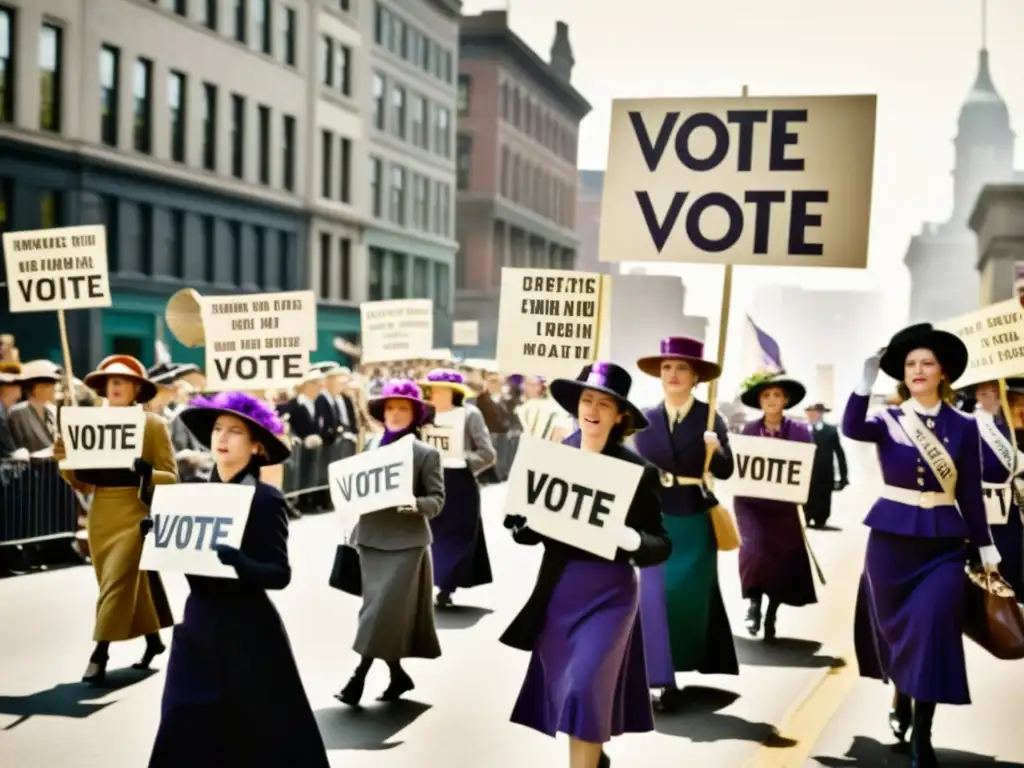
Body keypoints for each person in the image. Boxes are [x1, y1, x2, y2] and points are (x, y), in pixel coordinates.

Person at [844, 323, 1001, 768]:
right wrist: (864, 380)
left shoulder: (965, 426)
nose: (918, 369)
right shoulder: (888, 418)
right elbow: (852, 427)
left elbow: (969, 490)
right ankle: (900, 696)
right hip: (891, 545)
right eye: (910, 363)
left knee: (933, 630)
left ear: (943, 373)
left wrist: (986, 545)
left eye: (927, 362)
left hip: (943, 547)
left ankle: (923, 738)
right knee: (899, 635)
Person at [501, 362, 672, 768]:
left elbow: (660, 543)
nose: (592, 409)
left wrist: (630, 539)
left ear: (620, 417)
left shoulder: (636, 471)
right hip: (560, 594)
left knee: (583, 691)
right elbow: (525, 531)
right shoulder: (551, 457)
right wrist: (525, 522)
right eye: (586, 400)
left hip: (610, 597)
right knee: (572, 697)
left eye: (604, 403)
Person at [147, 391, 329, 768]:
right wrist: (155, 534)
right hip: (198, 625)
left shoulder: (266, 500)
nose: (222, 438)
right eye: (217, 429)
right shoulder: (190, 494)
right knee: (182, 720)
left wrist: (242, 562)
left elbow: (279, 574)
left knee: (264, 734)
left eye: (234, 431)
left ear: (257, 447)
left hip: (249, 634)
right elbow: (182, 558)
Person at [53, 355, 177, 684]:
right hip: (101, 513)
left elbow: (172, 477)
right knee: (114, 581)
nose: (115, 386)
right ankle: (153, 640)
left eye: (122, 381)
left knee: (118, 582)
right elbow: (83, 483)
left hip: (135, 510)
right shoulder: (87, 424)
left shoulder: (153, 425)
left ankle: (99, 654)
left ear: (137, 389)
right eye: (111, 381)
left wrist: (147, 473)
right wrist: (65, 461)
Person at [631, 337, 739, 711]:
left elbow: (725, 470)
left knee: (685, 597)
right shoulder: (642, 418)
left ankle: (682, 661)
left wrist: (716, 449)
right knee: (653, 598)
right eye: (666, 368)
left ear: (695, 377)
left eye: (681, 368)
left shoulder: (712, 418)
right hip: (653, 517)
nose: (672, 375)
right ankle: (661, 678)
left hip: (694, 517)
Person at [336, 379, 444, 706]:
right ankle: (398, 676)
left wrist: (413, 505)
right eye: (390, 408)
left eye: (403, 408)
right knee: (379, 614)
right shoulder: (369, 446)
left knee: (380, 615)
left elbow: (437, 500)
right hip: (369, 541)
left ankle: (358, 678)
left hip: (406, 546)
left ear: (414, 415)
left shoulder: (425, 454)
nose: (395, 414)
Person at [734, 372, 817, 641]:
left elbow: (805, 469)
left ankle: (771, 614)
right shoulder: (748, 430)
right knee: (753, 551)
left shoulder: (800, 432)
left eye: (776, 395)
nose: (771, 400)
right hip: (751, 505)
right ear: (759, 401)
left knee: (781, 560)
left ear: (785, 400)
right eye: (766, 395)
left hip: (784, 507)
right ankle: (754, 604)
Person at [419, 368, 497, 608]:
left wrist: (463, 460)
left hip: (458, 483)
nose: (432, 393)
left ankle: (446, 586)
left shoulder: (469, 415)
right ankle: (424, 582)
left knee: (454, 537)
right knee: (427, 534)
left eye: (439, 389)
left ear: (452, 392)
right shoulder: (422, 414)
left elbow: (488, 454)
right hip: (426, 481)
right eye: (431, 388)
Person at [960, 379, 1024, 597]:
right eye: (983, 391)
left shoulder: (1005, 419)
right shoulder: (970, 423)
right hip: (984, 501)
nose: (988, 395)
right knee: (997, 556)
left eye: (993, 391)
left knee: (1015, 552)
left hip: (1009, 500)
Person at [803, 402, 849, 528]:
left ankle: (821, 519)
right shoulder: (801, 429)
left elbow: (839, 453)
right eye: (810, 411)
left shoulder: (831, 431)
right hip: (806, 470)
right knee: (806, 495)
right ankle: (806, 517)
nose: (812, 414)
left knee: (823, 496)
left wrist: (843, 476)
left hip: (825, 471)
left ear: (822, 414)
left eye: (816, 412)